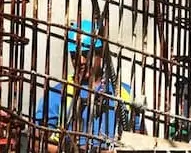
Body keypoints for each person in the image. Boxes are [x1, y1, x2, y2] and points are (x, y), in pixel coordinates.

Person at [35, 21, 141, 153]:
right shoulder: (57, 93)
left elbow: (138, 139)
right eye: (74, 56)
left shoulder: (123, 93)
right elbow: (38, 140)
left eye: (86, 54)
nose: (81, 61)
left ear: (101, 53)